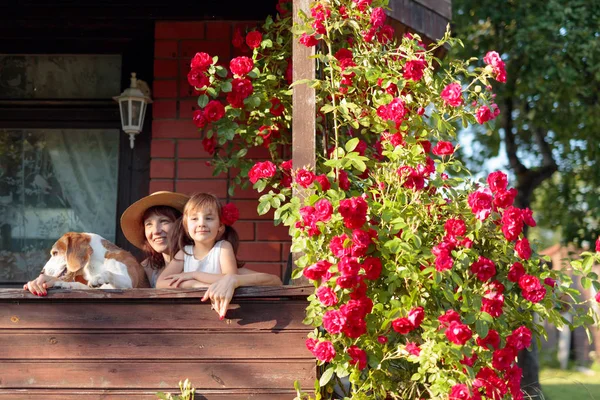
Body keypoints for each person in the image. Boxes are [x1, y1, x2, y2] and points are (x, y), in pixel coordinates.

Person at [156, 192, 241, 289]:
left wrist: (194, 275)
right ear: (186, 226)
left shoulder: (223, 248)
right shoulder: (185, 253)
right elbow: (161, 283)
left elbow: (231, 278)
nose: (201, 223)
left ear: (220, 226)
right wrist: (196, 285)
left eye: (208, 218)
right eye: (194, 218)